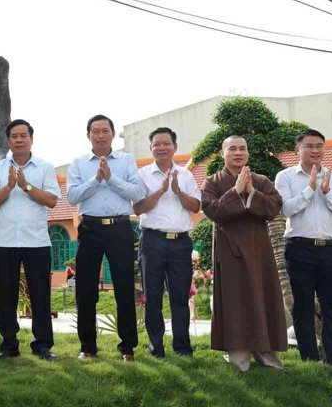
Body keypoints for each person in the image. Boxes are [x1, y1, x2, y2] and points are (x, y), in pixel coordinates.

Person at [201, 135, 287, 372]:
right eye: (232, 149)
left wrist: (251, 192)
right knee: (234, 304)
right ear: (223, 154)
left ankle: (268, 356)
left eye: (242, 149)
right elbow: (212, 210)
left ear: (247, 153)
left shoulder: (260, 180)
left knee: (263, 300)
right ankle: (238, 358)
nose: (238, 153)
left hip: (259, 251)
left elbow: (274, 206)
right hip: (229, 253)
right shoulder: (213, 181)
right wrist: (235, 192)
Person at [67, 114, 146, 361]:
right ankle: (88, 346)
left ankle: (128, 347)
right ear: (88, 135)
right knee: (86, 289)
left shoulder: (126, 161)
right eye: (95, 131)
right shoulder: (79, 163)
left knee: (124, 287)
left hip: (120, 227)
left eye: (105, 131)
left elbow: (137, 192)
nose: (100, 135)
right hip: (90, 228)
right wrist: (96, 178)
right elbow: (72, 197)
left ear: (113, 134)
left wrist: (111, 178)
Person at [0, 119, 60, 360]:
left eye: (23, 135)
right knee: (7, 295)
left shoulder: (45, 167)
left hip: (37, 241)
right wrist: (8, 187)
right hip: (6, 242)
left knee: (40, 295)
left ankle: (43, 344)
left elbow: (52, 201)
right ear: (8, 141)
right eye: (14, 136)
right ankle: (9, 345)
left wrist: (26, 186)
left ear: (31, 139)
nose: (19, 140)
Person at [275, 129, 332, 367]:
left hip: (330, 250)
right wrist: (309, 189)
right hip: (299, 248)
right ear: (298, 150)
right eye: (309, 146)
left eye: (319, 145)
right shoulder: (285, 177)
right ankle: (310, 361)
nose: (315, 150)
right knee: (303, 307)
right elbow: (284, 210)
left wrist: (327, 193)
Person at [133, 127, 201, 358]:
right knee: (152, 296)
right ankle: (156, 347)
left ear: (175, 147)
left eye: (166, 143)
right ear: (151, 148)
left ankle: (182, 347)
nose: (161, 148)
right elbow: (138, 208)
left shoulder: (186, 175)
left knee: (180, 296)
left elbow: (195, 207)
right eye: (156, 144)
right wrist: (161, 191)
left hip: (180, 243)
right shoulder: (142, 175)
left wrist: (177, 191)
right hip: (152, 241)